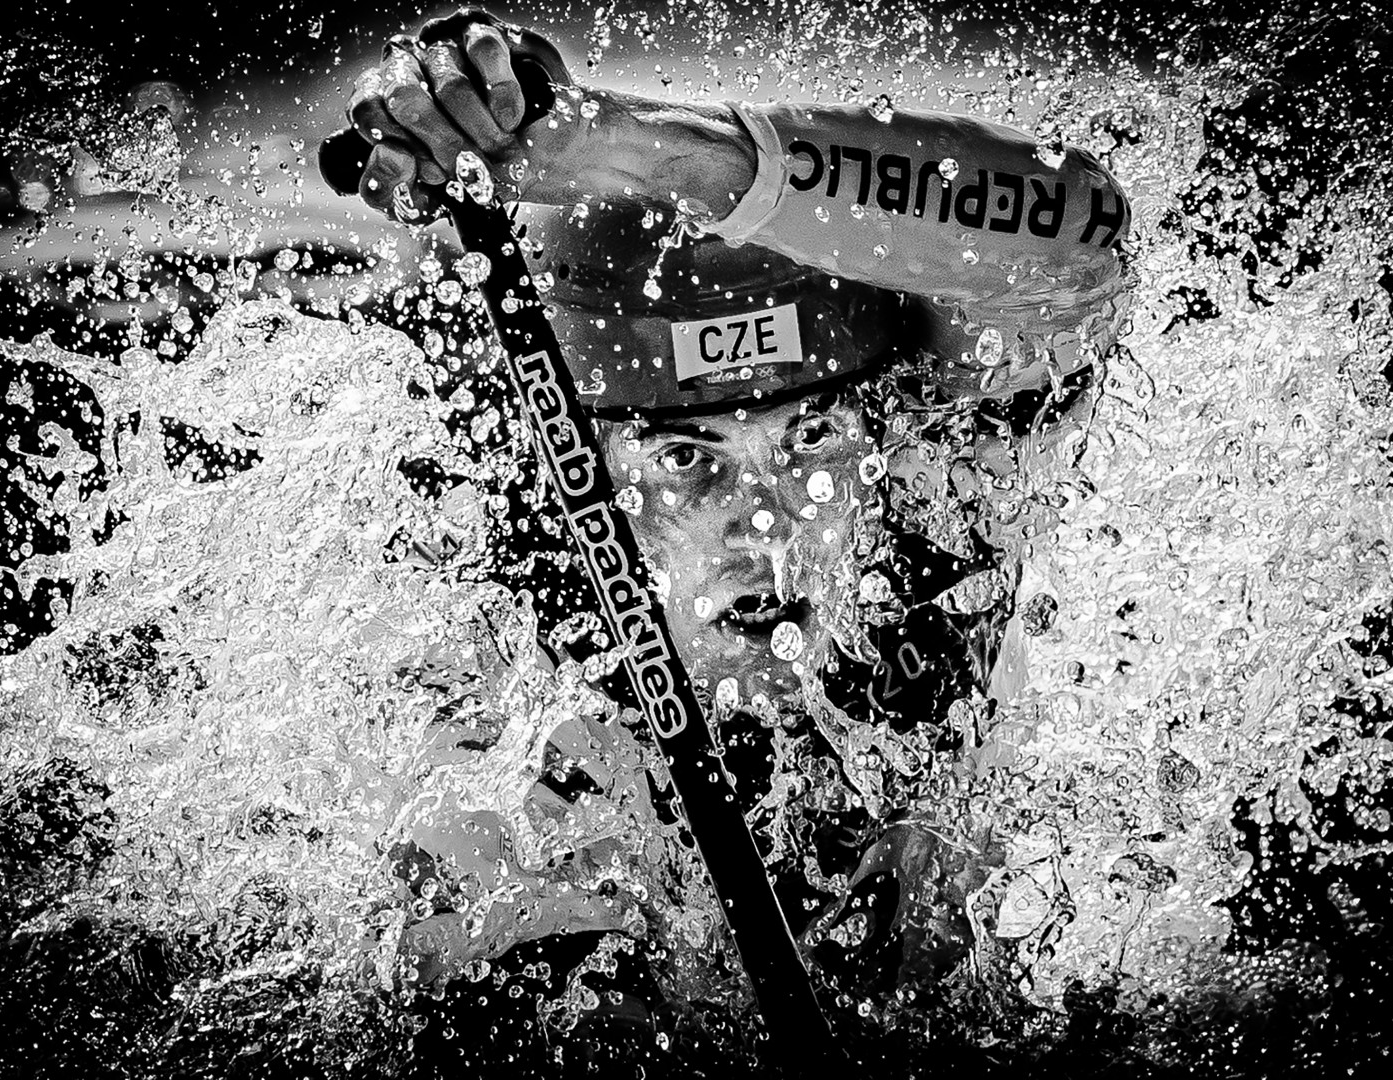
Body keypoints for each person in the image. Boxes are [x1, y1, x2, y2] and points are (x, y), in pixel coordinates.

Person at [325, 5, 1132, 1031]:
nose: (772, 528)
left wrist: (634, 149)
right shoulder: (514, 731)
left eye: (812, 441)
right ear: (581, 480)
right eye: (685, 461)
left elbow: (1082, 240)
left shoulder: (931, 526)